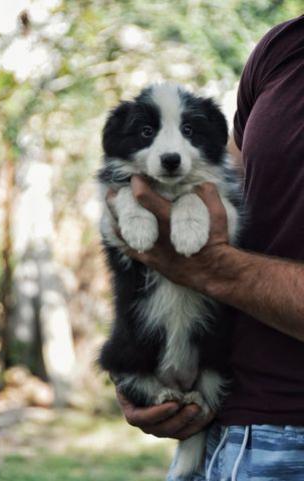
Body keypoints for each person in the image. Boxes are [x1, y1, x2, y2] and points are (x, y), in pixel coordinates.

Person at [109, 14, 304, 481]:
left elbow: (208, 252)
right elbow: (224, 185)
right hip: (230, 419)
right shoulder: (282, 48)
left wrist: (214, 267)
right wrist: (140, 355)